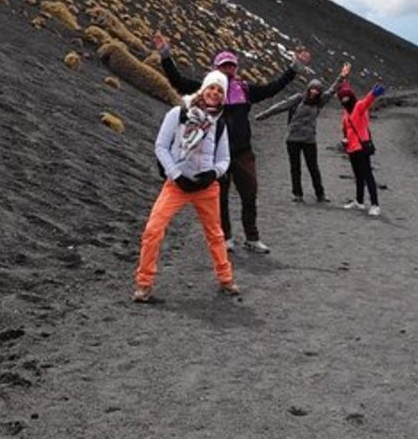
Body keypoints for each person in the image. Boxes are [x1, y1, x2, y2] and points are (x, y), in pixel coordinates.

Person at [153, 33, 310, 254]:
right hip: (216, 155)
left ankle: (252, 238)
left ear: (236, 68)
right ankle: (226, 237)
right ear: (215, 68)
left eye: (231, 66)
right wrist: (165, 55)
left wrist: (294, 68)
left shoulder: (244, 90)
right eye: (223, 66)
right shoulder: (208, 89)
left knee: (249, 194)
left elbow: (272, 88)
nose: (228, 70)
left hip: (243, 152)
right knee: (221, 197)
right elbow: (178, 82)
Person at [133, 70, 236, 302]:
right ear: (203, 89)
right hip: (177, 185)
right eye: (211, 88)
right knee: (153, 230)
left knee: (215, 234)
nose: (215, 93)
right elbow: (161, 146)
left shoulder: (219, 124)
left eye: (220, 91)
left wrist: (213, 173)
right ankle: (144, 284)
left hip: (205, 187)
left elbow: (224, 158)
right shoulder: (179, 113)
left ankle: (226, 278)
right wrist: (176, 175)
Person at [254, 62, 351, 203]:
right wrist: (262, 115)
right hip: (293, 139)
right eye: (312, 89)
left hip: (309, 140)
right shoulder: (298, 98)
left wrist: (342, 76)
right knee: (295, 168)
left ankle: (320, 195)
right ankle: (297, 194)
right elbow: (280, 107)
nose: (314, 92)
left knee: (313, 168)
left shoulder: (320, 102)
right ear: (308, 89)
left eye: (317, 90)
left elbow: (332, 89)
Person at [337, 78, 385, 217]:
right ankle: (359, 201)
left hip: (361, 147)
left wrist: (373, 94)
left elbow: (366, 102)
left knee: (368, 176)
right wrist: (345, 139)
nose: (345, 100)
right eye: (342, 98)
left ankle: (375, 205)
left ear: (351, 97)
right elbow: (346, 129)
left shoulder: (358, 107)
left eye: (346, 97)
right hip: (351, 148)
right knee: (358, 176)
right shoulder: (346, 112)